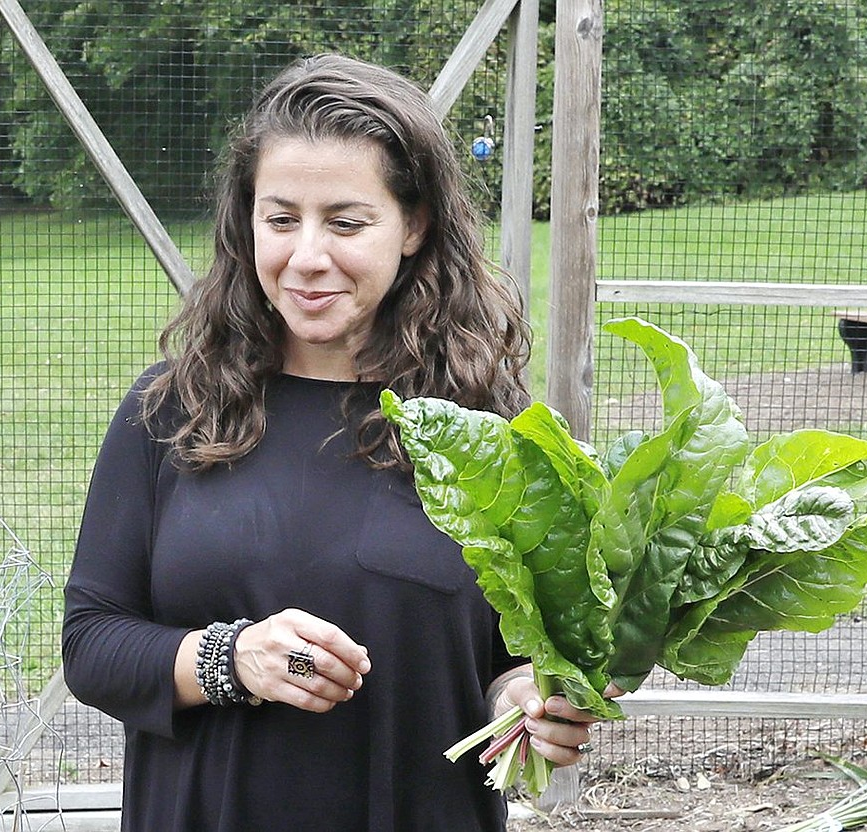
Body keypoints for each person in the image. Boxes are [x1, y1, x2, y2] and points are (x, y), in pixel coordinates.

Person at [62, 52, 616, 832]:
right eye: (281, 219)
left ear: (415, 225)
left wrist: (527, 701)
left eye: (347, 223)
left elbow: (505, 662)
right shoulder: (171, 410)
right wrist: (231, 660)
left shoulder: (489, 429)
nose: (307, 257)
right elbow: (91, 646)